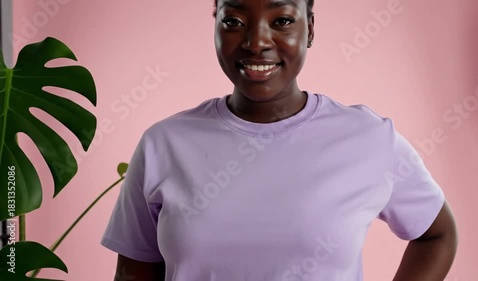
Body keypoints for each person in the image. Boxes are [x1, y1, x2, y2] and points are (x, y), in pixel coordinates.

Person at [101, 0, 458, 280]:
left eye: (282, 20)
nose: (257, 42)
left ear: (311, 29)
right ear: (215, 26)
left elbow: (437, 235)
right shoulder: (163, 144)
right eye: (234, 21)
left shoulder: (369, 139)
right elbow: (133, 272)